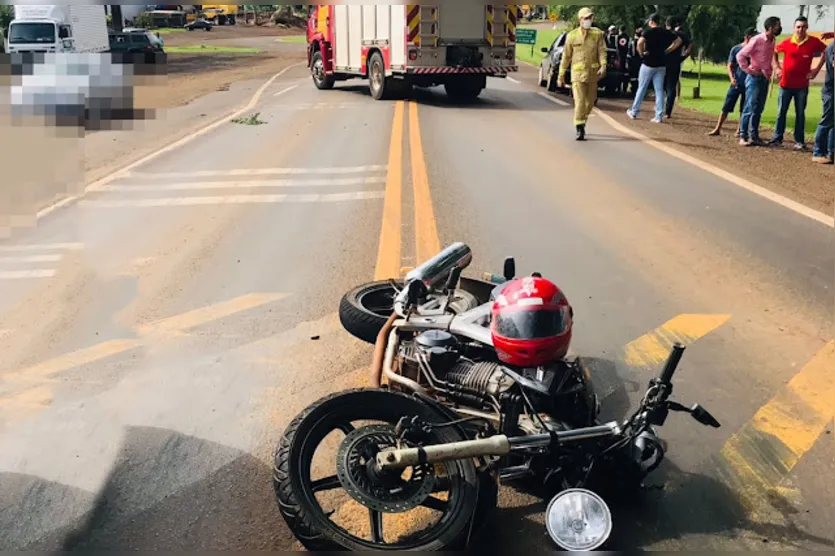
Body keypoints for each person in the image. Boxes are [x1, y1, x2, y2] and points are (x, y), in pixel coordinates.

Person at [769, 17, 828, 150]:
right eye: (798, 27)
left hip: (801, 86)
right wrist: (777, 68)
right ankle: (777, 138)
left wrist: (816, 70)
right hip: (785, 84)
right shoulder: (787, 42)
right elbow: (774, 52)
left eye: (804, 27)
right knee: (781, 112)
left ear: (807, 28)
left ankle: (800, 141)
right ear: (794, 28)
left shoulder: (813, 42)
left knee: (800, 113)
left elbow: (826, 52)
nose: (801, 29)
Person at [557, 6, 607, 141]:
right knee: (579, 102)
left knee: (590, 102)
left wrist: (603, 65)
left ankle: (582, 119)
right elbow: (566, 57)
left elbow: (602, 51)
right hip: (577, 76)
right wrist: (561, 75)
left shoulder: (597, 34)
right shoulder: (572, 36)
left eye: (590, 18)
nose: (588, 20)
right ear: (580, 20)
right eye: (586, 18)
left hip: (592, 75)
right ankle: (579, 127)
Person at [626, 13, 682, 123]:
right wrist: (668, 50)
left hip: (648, 62)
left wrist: (641, 53)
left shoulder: (648, 32)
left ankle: (634, 111)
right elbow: (678, 41)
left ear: (651, 21)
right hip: (661, 64)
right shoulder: (665, 32)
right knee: (659, 90)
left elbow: (640, 42)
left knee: (642, 88)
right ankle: (659, 115)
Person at [737, 16, 782, 146]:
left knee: (759, 108)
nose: (780, 28)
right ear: (770, 27)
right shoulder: (757, 40)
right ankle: (743, 135)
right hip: (754, 78)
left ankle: (754, 135)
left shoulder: (773, 40)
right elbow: (740, 55)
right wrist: (749, 70)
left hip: (765, 78)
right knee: (749, 106)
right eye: (778, 25)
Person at [708, 28, 756, 136]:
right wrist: (731, 78)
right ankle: (718, 128)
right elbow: (729, 66)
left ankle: (739, 129)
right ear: (748, 37)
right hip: (737, 82)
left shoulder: (754, 51)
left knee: (744, 108)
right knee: (727, 105)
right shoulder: (736, 49)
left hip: (749, 83)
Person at [663, 17, 691, 119]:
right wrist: (683, 57)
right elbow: (690, 47)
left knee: (661, 86)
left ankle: (659, 107)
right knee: (671, 87)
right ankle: (668, 112)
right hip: (675, 63)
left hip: (662, 63)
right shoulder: (682, 35)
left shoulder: (663, 33)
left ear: (667, 24)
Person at [812, 37, 834, 164]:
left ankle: (830, 153)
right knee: (826, 121)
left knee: (832, 123)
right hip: (831, 92)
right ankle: (818, 152)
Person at [626, 27, 644, 95]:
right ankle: (637, 90)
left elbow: (629, 53)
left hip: (633, 62)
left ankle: (634, 89)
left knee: (634, 77)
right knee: (639, 77)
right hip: (640, 61)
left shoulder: (633, 42)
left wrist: (628, 62)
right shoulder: (643, 42)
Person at [617, 26, 630, 94]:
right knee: (625, 73)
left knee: (619, 72)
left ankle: (618, 87)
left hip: (619, 56)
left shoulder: (618, 37)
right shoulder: (628, 37)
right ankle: (624, 88)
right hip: (626, 57)